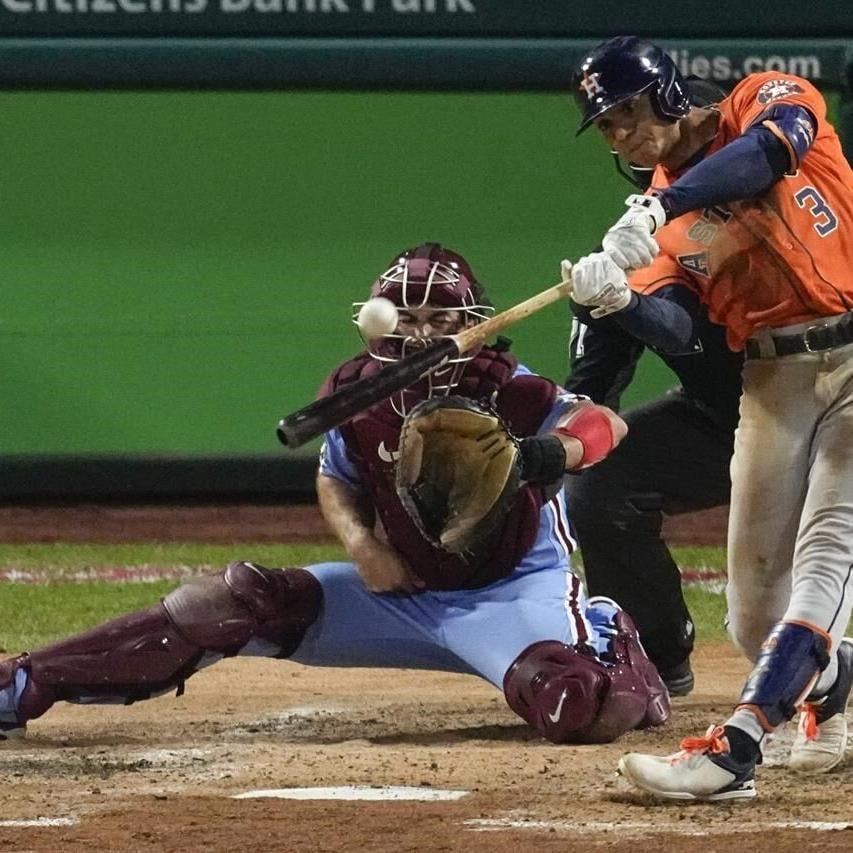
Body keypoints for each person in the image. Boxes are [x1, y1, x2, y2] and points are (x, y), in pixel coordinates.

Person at [0, 242, 669, 746]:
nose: (421, 332)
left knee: (577, 705)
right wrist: (360, 544)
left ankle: (610, 641)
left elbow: (602, 424)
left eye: (441, 317)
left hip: (507, 595)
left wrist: (539, 455)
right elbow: (335, 479)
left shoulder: (506, 385)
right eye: (405, 316)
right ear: (376, 323)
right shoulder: (355, 391)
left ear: (473, 323)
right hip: (403, 595)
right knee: (228, 602)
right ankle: (25, 683)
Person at [567, 35, 853, 799]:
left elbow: (765, 156)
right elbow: (683, 329)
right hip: (772, 379)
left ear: (665, 93)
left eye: (627, 111)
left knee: (824, 558)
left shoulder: (762, 97)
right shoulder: (653, 224)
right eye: (606, 124)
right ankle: (837, 676)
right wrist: (620, 301)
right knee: (754, 617)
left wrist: (664, 199)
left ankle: (733, 750)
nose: (621, 132)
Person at [564, 76, 744, 697]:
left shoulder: (794, 189)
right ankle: (651, 657)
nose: (625, 136)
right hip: (733, 420)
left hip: (833, 395)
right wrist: (606, 305)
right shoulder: (636, 252)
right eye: (609, 126)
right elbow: (596, 391)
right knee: (599, 482)